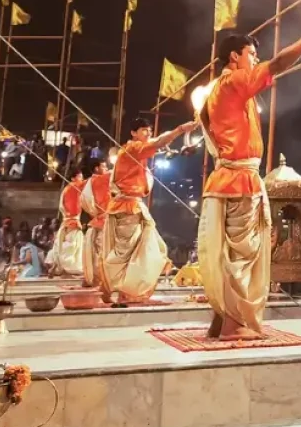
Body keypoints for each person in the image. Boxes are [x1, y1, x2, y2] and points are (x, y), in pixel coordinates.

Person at [197, 24, 301, 339]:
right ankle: (235, 326)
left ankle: (222, 320)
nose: (255, 59)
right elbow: (276, 65)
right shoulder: (234, 81)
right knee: (243, 255)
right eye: (251, 54)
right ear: (234, 56)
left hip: (229, 179)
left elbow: (270, 70)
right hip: (238, 181)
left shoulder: (223, 88)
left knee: (230, 253)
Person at [102, 117, 196, 303]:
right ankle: (117, 289)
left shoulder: (135, 151)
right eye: (144, 130)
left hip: (133, 207)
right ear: (133, 133)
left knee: (151, 248)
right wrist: (180, 129)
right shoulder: (133, 149)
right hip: (127, 208)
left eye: (149, 130)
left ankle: (122, 289)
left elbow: (158, 144)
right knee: (127, 253)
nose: (148, 133)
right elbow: (159, 141)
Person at [47, 170, 85, 277]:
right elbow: (87, 184)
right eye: (79, 176)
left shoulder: (67, 189)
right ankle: (66, 268)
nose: (81, 179)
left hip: (66, 221)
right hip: (72, 221)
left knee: (62, 245)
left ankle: (57, 265)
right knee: (72, 247)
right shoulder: (74, 187)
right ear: (73, 178)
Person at [80, 159, 111, 288]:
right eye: (104, 166)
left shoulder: (88, 183)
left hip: (97, 219)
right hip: (104, 221)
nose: (106, 168)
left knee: (98, 252)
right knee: (105, 252)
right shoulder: (101, 180)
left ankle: (97, 278)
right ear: (96, 169)